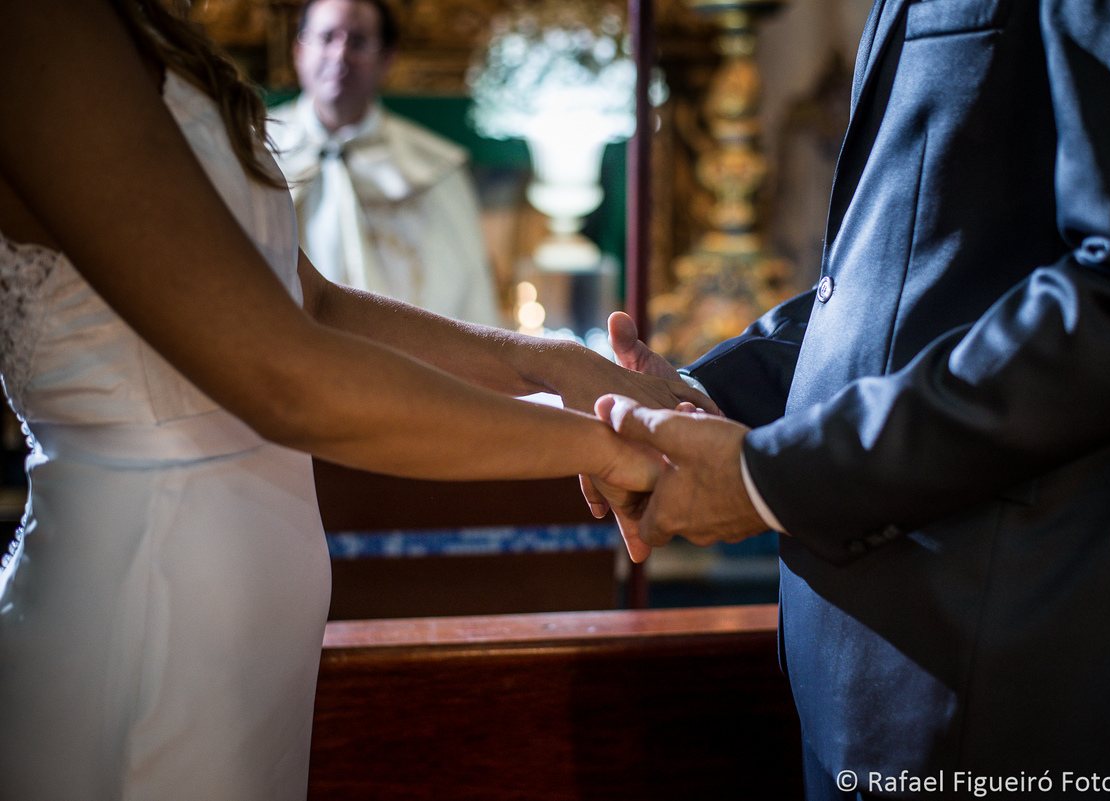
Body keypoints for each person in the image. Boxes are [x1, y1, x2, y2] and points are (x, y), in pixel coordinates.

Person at [0, 0, 713, 798]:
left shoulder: (154, 29)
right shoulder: (44, 24)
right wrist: (612, 445)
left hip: (242, 611)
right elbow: (283, 374)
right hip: (144, 609)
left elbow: (313, 304)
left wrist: (549, 362)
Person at [596, 0, 1110, 796]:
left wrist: (775, 478)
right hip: (868, 676)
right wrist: (702, 392)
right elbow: (906, 275)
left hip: (1004, 681)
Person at [267, 0, 502, 325]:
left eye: (358, 42)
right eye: (326, 38)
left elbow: (470, 298)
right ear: (298, 50)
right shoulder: (252, 148)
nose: (339, 55)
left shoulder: (434, 170)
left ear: (387, 60)